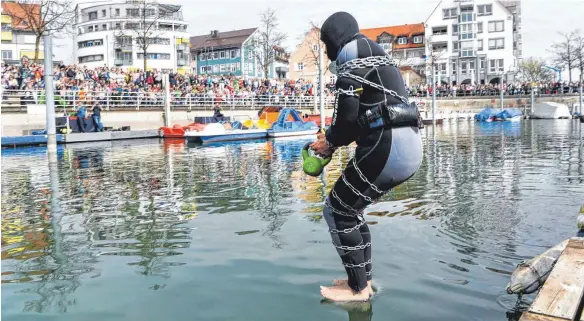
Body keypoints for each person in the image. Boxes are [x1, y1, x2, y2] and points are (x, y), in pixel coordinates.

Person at [310, 12, 423, 302]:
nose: (326, 52)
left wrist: (329, 143)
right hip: (406, 146)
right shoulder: (374, 53)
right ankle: (361, 280)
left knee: (336, 211)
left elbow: (347, 119)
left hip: (386, 148)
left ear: (335, 38)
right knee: (351, 211)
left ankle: (358, 289)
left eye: (325, 45)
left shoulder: (352, 56)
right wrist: (335, 140)